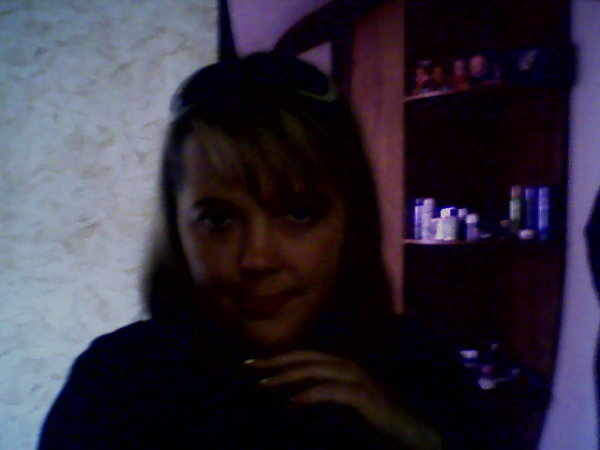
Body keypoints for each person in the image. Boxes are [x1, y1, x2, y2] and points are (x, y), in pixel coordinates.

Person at [39, 52, 504, 449]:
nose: (257, 259)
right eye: (217, 219)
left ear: (351, 221)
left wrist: (421, 438)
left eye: (299, 214)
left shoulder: (422, 371)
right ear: (178, 229)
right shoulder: (115, 385)